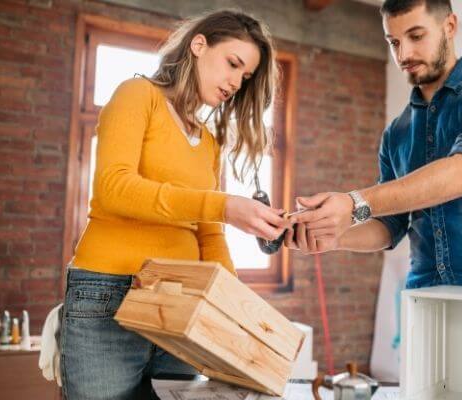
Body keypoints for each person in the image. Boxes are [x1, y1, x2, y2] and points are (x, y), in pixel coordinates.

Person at [59, 10, 291, 399]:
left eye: (245, 76)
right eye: (233, 64)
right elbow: (114, 187)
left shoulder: (210, 143)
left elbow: (210, 236)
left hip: (182, 304)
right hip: (108, 295)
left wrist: (236, 311)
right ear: (199, 45)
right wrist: (223, 205)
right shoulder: (137, 95)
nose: (235, 82)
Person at [288, 0, 462, 291]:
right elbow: (390, 226)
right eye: (394, 42)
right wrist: (335, 236)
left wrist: (352, 202)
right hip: (425, 292)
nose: (404, 54)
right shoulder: (396, 133)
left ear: (449, 26)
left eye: (416, 36)